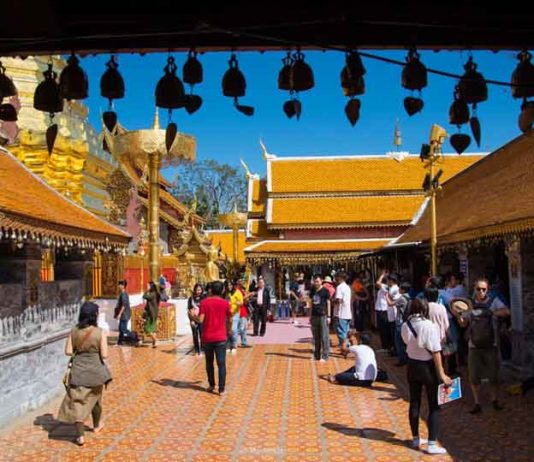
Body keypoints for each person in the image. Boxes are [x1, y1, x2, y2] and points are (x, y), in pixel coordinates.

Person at [401, 298, 452, 455]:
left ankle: (416, 438)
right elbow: (436, 351)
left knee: (414, 401)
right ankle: (431, 444)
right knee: (434, 405)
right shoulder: (430, 326)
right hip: (427, 367)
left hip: (412, 365)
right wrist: (442, 373)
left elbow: (406, 342)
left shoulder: (405, 325)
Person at [58, 301, 112, 446]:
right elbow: (105, 355)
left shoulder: (74, 330)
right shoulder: (100, 332)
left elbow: (68, 351)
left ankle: (80, 436)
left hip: (78, 372)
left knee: (78, 403)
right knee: (96, 399)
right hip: (96, 372)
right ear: (94, 315)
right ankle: (96, 426)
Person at [455, 278, 510, 414]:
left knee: (493, 375)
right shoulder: (469, 304)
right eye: (478, 289)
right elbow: (463, 323)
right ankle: (477, 403)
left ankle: (494, 400)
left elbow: (507, 311)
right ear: (474, 289)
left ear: (487, 290)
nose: (481, 292)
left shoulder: (493, 301)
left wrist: (491, 313)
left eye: (483, 289)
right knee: (474, 376)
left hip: (491, 344)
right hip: (474, 345)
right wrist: (459, 317)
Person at [191, 280, 232, 395]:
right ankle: (221, 389)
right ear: (222, 290)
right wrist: (228, 331)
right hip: (221, 337)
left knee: (209, 363)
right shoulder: (225, 303)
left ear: (211, 290)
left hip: (207, 338)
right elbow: (230, 319)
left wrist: (192, 316)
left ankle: (211, 385)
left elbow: (200, 320)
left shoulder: (204, 303)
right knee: (221, 364)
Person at [310, 274, 331, 362]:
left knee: (324, 336)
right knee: (316, 336)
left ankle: (325, 356)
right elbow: (311, 302)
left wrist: (329, 316)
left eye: (317, 281)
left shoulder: (325, 291)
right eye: (315, 281)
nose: (316, 283)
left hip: (323, 315)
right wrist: (310, 315)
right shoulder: (313, 290)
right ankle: (316, 355)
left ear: (321, 281)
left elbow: (328, 303)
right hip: (314, 315)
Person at [393, 282, 411, 366]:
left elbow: (390, 303)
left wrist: (387, 296)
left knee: (398, 342)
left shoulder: (401, 298)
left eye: (400, 288)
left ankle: (402, 359)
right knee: (405, 341)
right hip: (406, 322)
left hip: (400, 322)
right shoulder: (410, 297)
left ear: (403, 290)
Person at [375, 270, 392, 352]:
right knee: (383, 328)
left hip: (383, 310)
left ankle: (385, 346)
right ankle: (385, 345)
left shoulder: (386, 287)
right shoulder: (385, 287)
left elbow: (378, 283)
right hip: (381, 309)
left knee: (384, 328)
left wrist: (382, 275)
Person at [334, 271, 352, 347]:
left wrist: (332, 301)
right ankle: (347, 344)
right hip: (347, 312)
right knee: (346, 331)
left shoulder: (339, 287)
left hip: (340, 313)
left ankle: (344, 346)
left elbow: (339, 300)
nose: (335, 279)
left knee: (341, 331)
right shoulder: (347, 287)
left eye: (336, 277)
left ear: (340, 278)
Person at [114, 280, 133, 346]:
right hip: (124, 314)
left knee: (123, 329)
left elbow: (124, 305)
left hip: (124, 314)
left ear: (123, 286)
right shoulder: (122, 293)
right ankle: (120, 342)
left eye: (119, 285)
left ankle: (135, 338)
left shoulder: (123, 294)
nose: (118, 286)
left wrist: (119, 314)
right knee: (121, 329)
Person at [226, 279, 243, 353]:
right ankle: (228, 345)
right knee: (227, 330)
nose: (229, 287)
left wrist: (237, 303)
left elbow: (241, 303)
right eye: (227, 285)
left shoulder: (237, 292)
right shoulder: (225, 293)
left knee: (233, 329)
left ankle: (234, 345)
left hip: (235, 313)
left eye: (230, 285)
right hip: (226, 314)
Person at [188, 283, 204, 356]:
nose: (198, 292)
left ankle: (203, 349)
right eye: (197, 290)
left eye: (200, 290)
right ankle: (196, 350)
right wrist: (191, 320)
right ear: (194, 290)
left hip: (202, 318)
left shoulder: (204, 298)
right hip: (194, 318)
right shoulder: (191, 299)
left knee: (202, 334)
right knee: (195, 334)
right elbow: (189, 309)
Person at [142, 281, 160, 348]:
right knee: (153, 329)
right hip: (153, 313)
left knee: (147, 328)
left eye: (148, 286)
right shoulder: (154, 293)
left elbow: (144, 296)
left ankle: (155, 339)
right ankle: (155, 343)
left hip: (151, 313)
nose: (147, 287)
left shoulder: (152, 294)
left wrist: (146, 291)